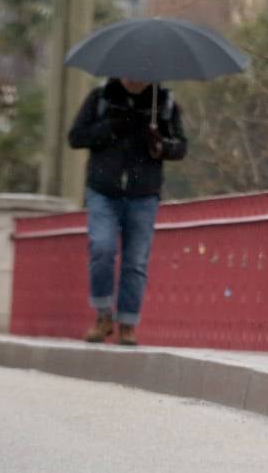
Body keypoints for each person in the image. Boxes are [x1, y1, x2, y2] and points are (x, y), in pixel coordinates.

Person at [67, 77, 188, 346]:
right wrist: (110, 127)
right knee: (102, 248)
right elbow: (76, 137)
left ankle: (128, 324)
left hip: (143, 193)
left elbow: (181, 146)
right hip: (103, 190)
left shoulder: (164, 103)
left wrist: (162, 145)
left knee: (136, 261)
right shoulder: (102, 97)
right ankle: (102, 315)